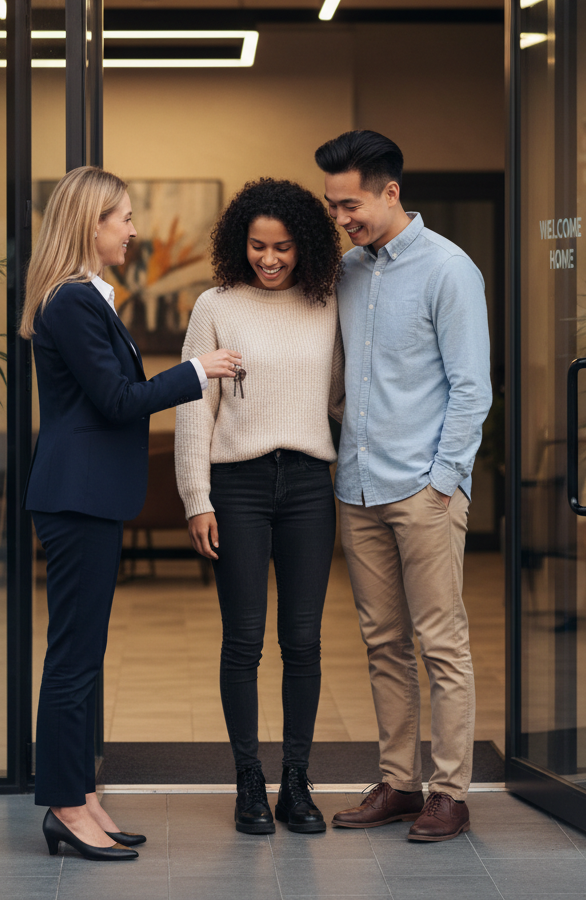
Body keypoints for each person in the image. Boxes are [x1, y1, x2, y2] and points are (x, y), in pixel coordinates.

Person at [20, 165, 241, 861]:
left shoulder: (85, 297)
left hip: (87, 497)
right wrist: (199, 370)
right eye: (122, 218)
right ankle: (65, 806)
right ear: (89, 224)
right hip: (77, 498)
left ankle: (82, 797)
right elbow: (117, 400)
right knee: (73, 659)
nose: (134, 231)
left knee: (84, 655)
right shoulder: (70, 301)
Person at [315, 131, 491, 842]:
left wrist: (443, 482)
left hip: (423, 491)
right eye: (332, 206)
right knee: (383, 643)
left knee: (441, 644)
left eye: (350, 205)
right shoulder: (347, 272)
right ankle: (398, 782)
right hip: (357, 489)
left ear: (390, 192)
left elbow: (472, 388)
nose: (341, 218)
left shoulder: (449, 269)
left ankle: (449, 792)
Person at [175, 177, 344, 835]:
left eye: (282, 247)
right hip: (236, 488)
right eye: (257, 246)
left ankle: (296, 782)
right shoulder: (214, 305)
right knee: (243, 640)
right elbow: (195, 408)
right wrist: (196, 498)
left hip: (308, 486)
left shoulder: (327, 303)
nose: (269, 259)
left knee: (302, 640)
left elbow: (340, 397)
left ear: (305, 246)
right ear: (238, 243)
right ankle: (249, 780)